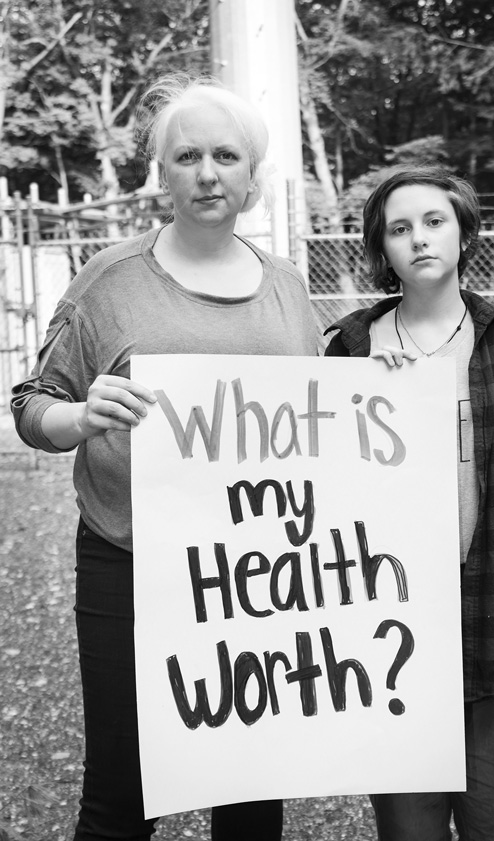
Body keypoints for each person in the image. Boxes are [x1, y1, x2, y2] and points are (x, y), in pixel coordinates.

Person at [11, 73, 318, 841]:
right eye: (187, 156)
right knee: (123, 790)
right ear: (163, 172)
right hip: (131, 567)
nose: (206, 173)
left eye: (224, 155)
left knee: (250, 791)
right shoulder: (109, 281)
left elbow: (323, 419)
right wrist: (78, 415)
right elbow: (29, 405)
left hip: (258, 576)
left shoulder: (288, 289)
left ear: (252, 174)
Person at [323, 165, 494, 841]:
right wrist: (375, 403)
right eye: (399, 228)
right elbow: (319, 500)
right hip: (388, 641)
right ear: (383, 249)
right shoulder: (347, 351)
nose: (419, 239)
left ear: (465, 234)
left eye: (434, 221)